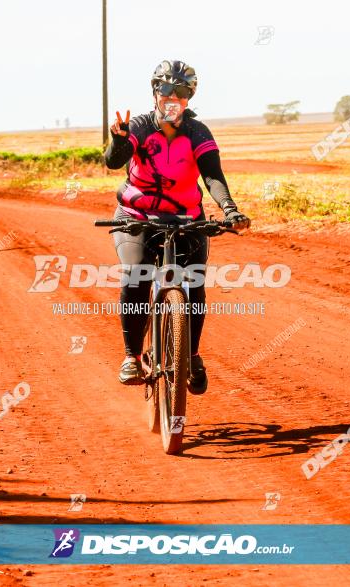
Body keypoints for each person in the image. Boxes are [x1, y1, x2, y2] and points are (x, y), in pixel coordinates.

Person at [103, 59, 250, 394]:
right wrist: (119, 141)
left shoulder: (198, 132)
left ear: (190, 96)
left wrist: (229, 208)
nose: (172, 97)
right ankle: (132, 356)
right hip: (135, 217)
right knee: (137, 274)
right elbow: (114, 160)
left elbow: (212, 175)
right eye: (165, 89)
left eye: (180, 91)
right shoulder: (139, 126)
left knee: (194, 286)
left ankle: (192, 354)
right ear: (155, 93)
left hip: (187, 217)